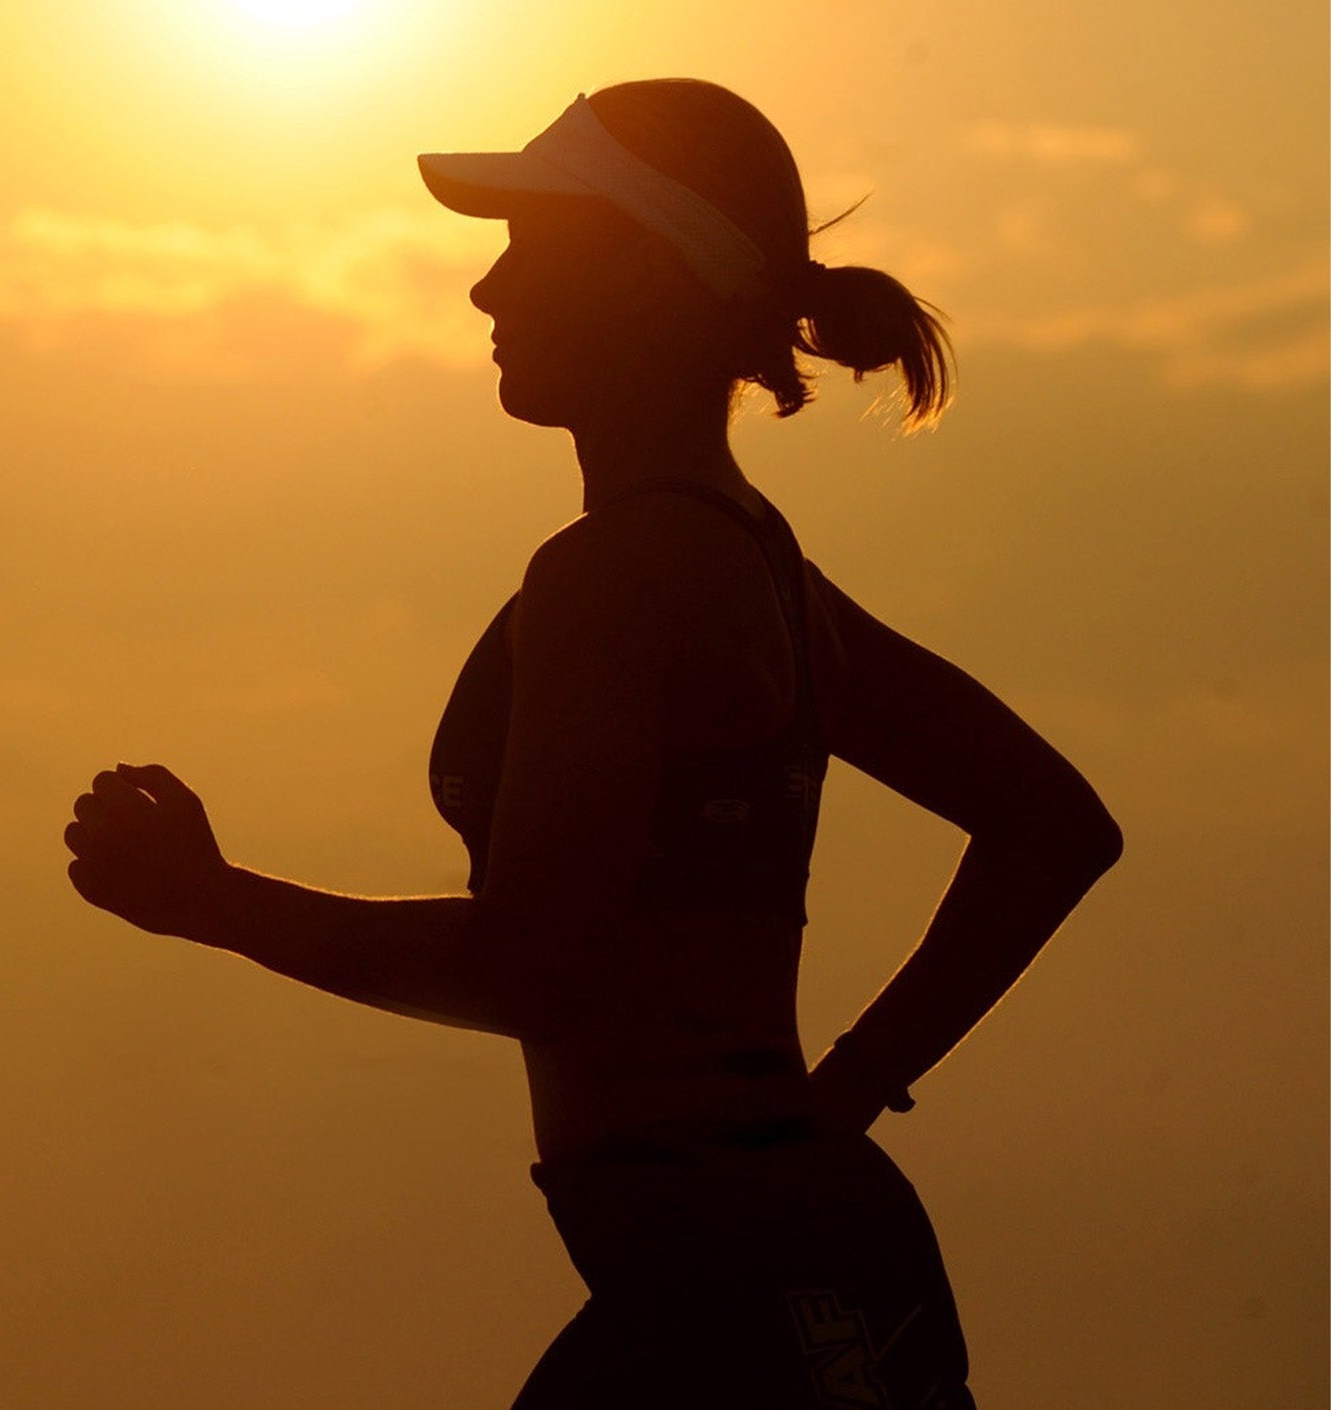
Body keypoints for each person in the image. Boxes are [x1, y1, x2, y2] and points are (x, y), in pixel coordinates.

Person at [60, 79, 1122, 1408]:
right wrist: (842, 1094)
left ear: (640, 270)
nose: (485, 294)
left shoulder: (619, 573)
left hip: (749, 1289)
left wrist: (213, 902)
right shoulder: (755, 564)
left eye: (528, 246)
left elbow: (535, 964)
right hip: (762, 1263)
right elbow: (1054, 824)